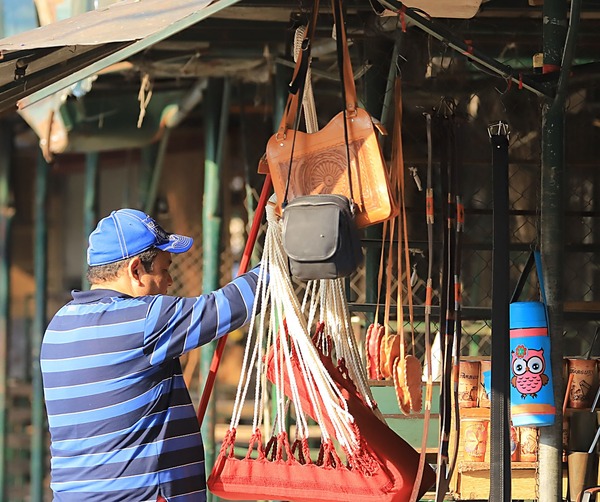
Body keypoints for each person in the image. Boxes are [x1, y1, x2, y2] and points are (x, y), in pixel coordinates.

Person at [40, 208, 264, 501]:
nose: (170, 282)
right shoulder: (141, 319)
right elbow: (224, 307)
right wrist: (286, 258)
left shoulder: (58, 325)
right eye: (164, 268)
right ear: (135, 270)